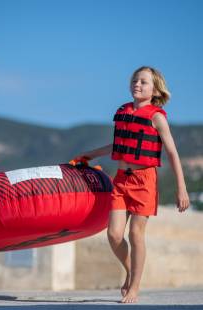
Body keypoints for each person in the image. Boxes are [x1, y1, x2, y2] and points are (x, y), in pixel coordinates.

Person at [72, 66, 190, 303]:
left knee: (136, 234)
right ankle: (130, 271)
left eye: (144, 82)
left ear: (155, 90)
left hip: (144, 181)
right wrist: (90, 154)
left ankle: (134, 287)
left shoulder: (156, 117)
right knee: (114, 235)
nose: (137, 84)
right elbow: (117, 146)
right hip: (121, 180)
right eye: (135, 80)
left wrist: (181, 189)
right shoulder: (123, 112)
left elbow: (173, 154)